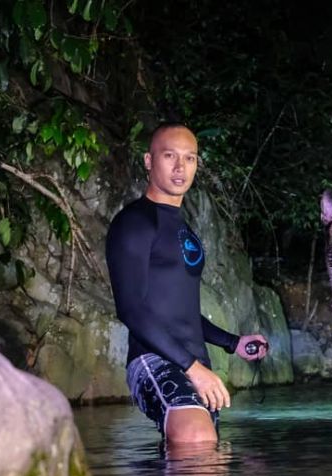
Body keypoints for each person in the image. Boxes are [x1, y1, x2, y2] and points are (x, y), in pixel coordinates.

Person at [105, 122, 269, 446]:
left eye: (190, 158)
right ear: (149, 161)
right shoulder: (135, 222)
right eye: (170, 156)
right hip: (154, 360)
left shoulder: (184, 229)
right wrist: (192, 368)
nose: (181, 167)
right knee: (196, 437)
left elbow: (183, 311)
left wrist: (232, 342)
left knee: (202, 471)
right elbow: (131, 309)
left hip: (195, 362)